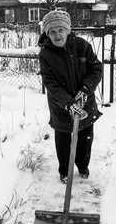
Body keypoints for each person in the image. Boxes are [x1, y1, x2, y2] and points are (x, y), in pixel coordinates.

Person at [38, 10, 103, 184]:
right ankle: (65, 171)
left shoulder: (82, 46)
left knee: (85, 139)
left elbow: (96, 69)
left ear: (67, 30)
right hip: (61, 107)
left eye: (60, 30)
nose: (57, 35)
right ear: (47, 34)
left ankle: (83, 166)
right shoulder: (45, 55)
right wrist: (68, 103)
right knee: (63, 141)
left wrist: (85, 89)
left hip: (85, 103)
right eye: (52, 31)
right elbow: (50, 83)